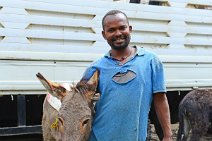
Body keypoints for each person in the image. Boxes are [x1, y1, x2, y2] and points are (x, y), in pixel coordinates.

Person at [81, 10, 172, 141]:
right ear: (104, 34)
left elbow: (160, 99)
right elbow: (79, 103)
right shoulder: (95, 68)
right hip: (99, 137)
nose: (118, 33)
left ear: (129, 29)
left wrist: (168, 135)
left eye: (122, 28)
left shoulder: (150, 61)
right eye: (111, 30)